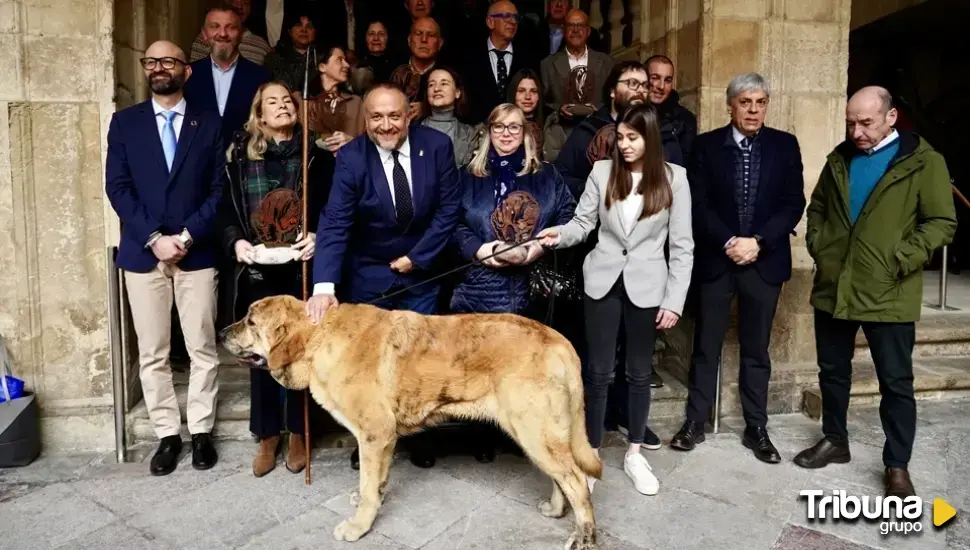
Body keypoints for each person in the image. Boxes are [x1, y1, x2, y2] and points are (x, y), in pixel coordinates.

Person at [794, 86, 956, 497]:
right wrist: (822, 246)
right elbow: (817, 209)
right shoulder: (840, 159)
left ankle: (897, 464)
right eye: (851, 123)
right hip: (836, 285)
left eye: (865, 122)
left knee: (895, 382)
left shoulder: (924, 162)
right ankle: (835, 440)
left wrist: (902, 257)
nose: (856, 131)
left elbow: (940, 221)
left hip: (890, 290)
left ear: (891, 118)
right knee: (832, 372)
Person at [538, 104, 693, 496]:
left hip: (648, 285)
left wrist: (674, 300)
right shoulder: (601, 172)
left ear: (651, 139)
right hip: (603, 281)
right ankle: (591, 454)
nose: (622, 145)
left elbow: (683, 246)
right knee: (598, 371)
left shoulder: (676, 179)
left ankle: (635, 453)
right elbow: (581, 224)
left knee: (640, 373)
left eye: (632, 138)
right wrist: (557, 235)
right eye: (620, 137)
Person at [305, 83, 461, 469]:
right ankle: (369, 436)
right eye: (376, 117)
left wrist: (417, 257)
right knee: (370, 363)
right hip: (369, 274)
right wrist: (324, 287)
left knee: (420, 359)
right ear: (365, 119)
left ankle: (421, 435)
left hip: (420, 270)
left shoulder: (437, 147)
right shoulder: (352, 157)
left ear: (409, 114)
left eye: (394, 115)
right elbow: (336, 222)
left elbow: (448, 211)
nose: (386, 125)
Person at [670, 73, 806, 464]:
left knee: (756, 349)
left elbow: (792, 203)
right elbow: (698, 203)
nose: (753, 109)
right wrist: (729, 241)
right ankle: (695, 422)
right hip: (718, 259)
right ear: (730, 105)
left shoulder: (785, 145)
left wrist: (758, 242)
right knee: (705, 346)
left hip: (764, 262)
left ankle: (757, 428)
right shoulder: (707, 145)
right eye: (745, 102)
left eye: (760, 102)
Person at [105, 41, 225, 476]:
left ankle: (202, 432)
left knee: (202, 348)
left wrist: (188, 235)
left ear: (185, 71)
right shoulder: (125, 124)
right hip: (143, 252)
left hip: (197, 251)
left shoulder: (208, 124)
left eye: (169, 61)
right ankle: (167, 436)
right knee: (153, 351)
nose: (159, 68)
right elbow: (118, 188)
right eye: (151, 61)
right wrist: (155, 237)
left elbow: (218, 191)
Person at [219, 81, 330, 477]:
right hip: (258, 267)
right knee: (259, 350)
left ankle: (300, 430)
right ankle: (267, 434)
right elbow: (226, 210)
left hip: (301, 267)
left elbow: (332, 210)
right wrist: (236, 243)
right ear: (259, 114)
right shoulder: (238, 159)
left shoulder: (315, 156)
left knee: (301, 347)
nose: (283, 106)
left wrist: (318, 234)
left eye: (288, 101)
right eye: (273, 102)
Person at [183, 4, 271, 146]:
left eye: (231, 27)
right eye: (215, 26)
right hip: (199, 164)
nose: (223, 34)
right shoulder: (187, 75)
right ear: (204, 34)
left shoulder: (261, 77)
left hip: (244, 163)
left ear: (241, 34)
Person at [305, 45, 366, 147]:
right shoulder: (305, 101)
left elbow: (369, 142)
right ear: (322, 67)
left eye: (346, 60)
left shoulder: (356, 103)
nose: (346, 65)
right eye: (339, 60)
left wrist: (352, 142)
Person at [418, 66, 479, 167]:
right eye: (431, 85)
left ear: (457, 93)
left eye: (444, 84)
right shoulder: (412, 132)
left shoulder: (471, 134)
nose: (436, 89)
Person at [506, 69, 545, 159]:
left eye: (533, 91)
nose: (527, 96)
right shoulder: (500, 125)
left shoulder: (550, 124)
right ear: (513, 94)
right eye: (521, 91)